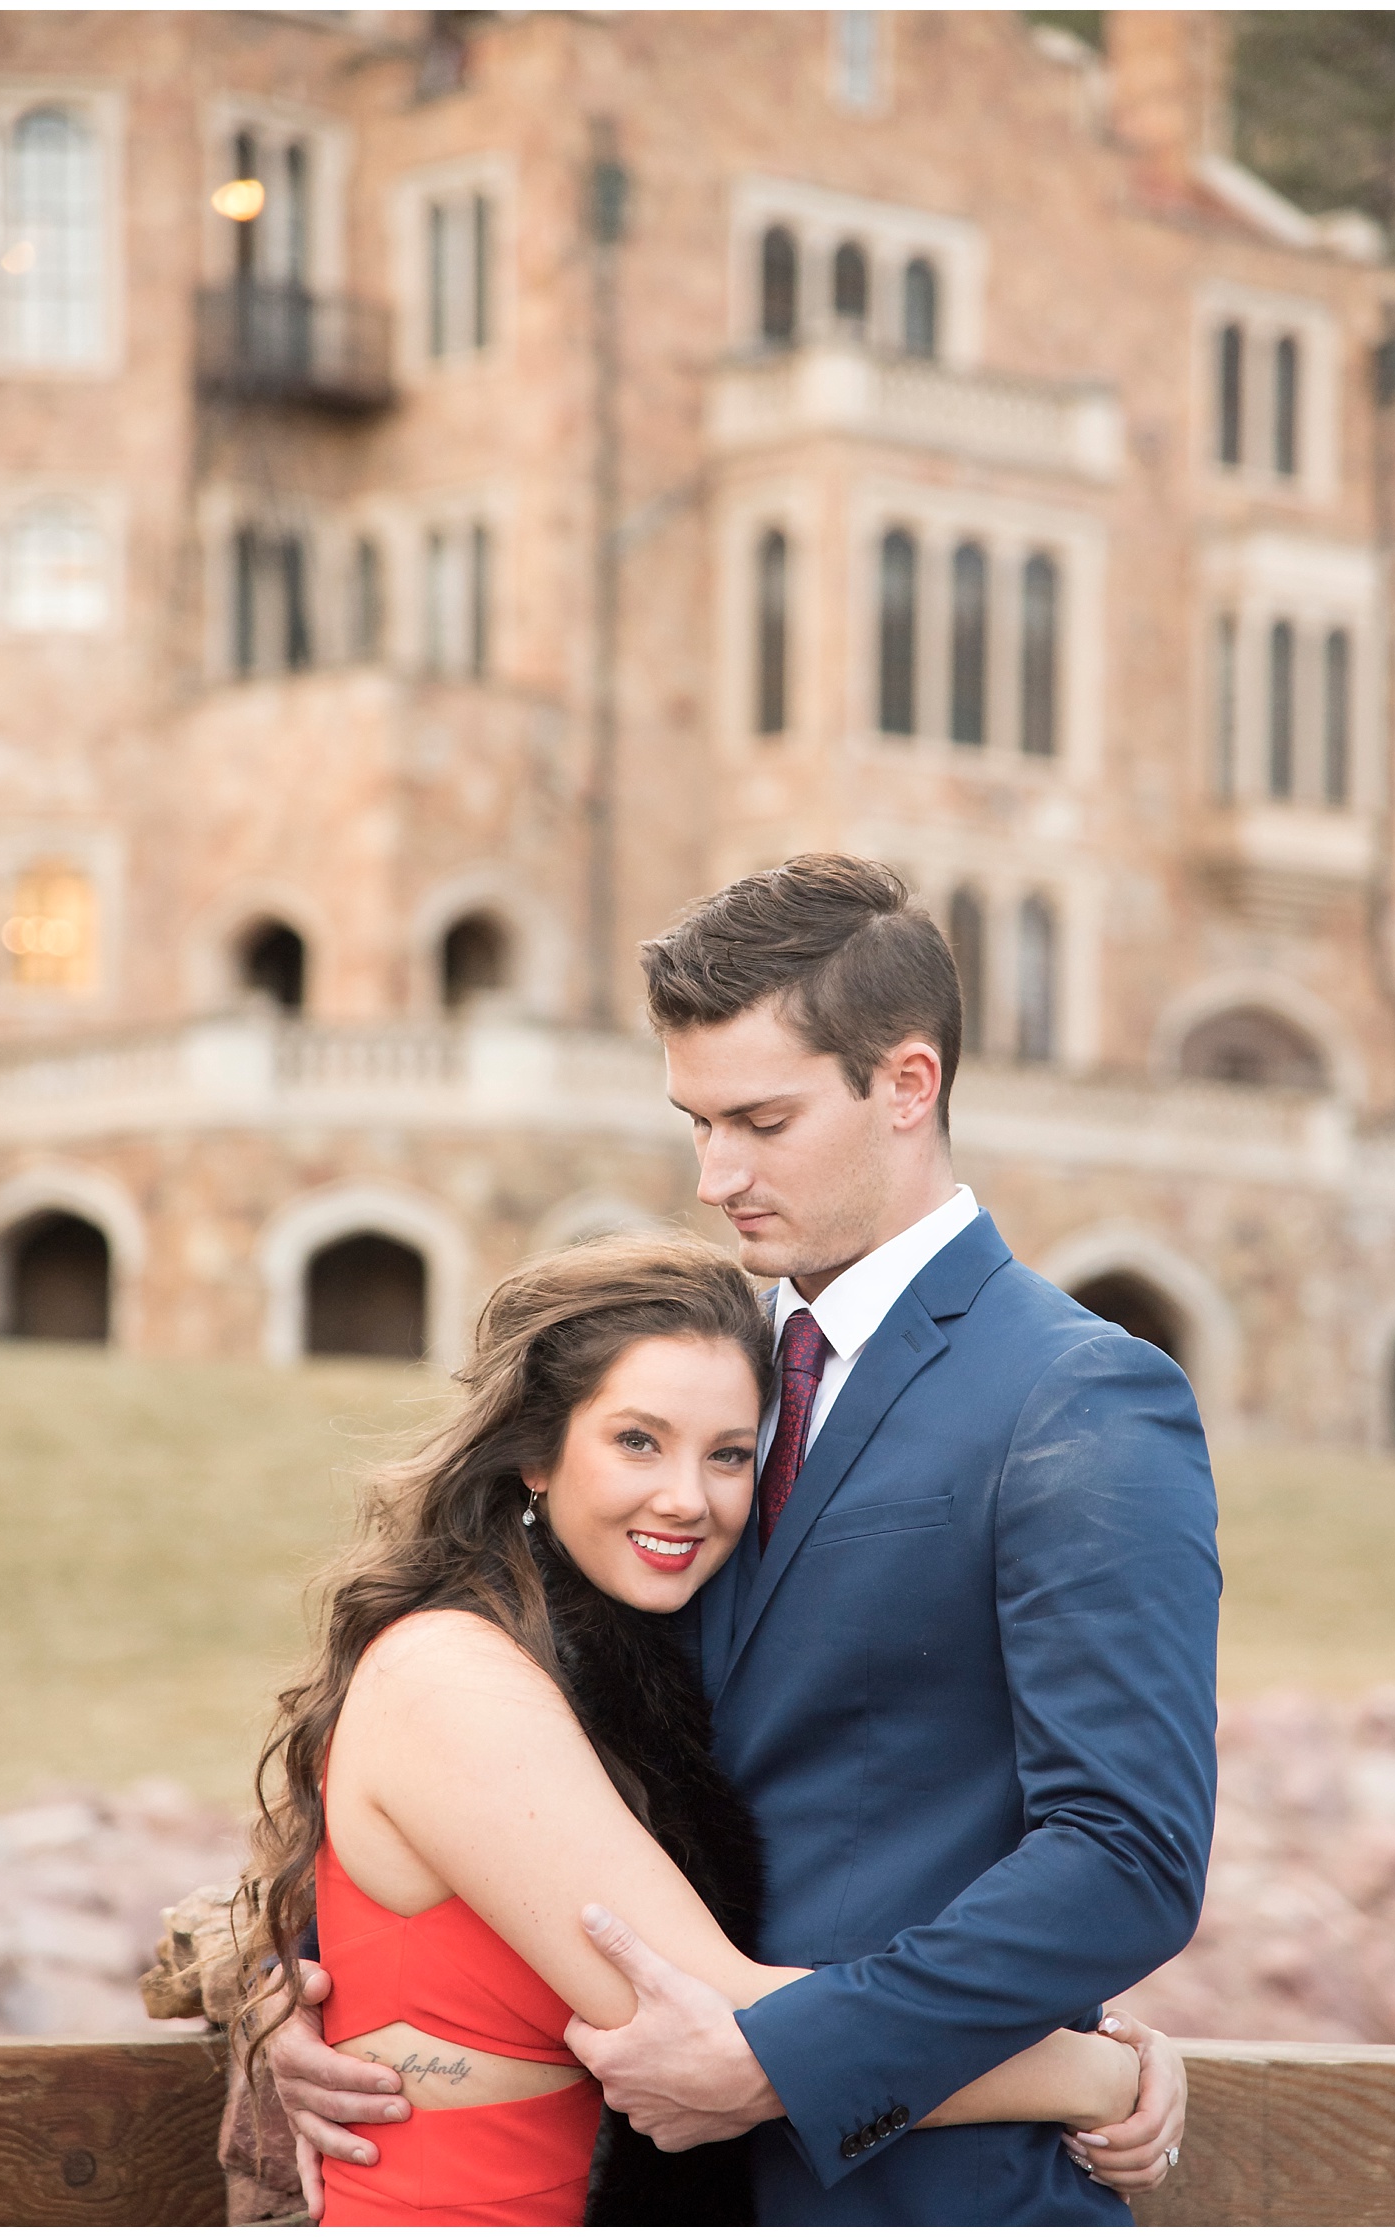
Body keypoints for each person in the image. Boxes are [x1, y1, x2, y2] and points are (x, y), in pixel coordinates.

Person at [268, 855, 1219, 2226]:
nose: (715, 1178)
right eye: (696, 1122)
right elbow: (506, 1721)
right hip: (653, 2184)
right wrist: (311, 1990)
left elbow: (1126, 1856)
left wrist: (799, 2058)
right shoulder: (698, 1389)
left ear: (906, 1085)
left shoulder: (1078, 1396)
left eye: (760, 1121)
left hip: (927, 2196)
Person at [240, 1232, 1151, 2226]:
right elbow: (728, 2016)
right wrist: (1092, 2070)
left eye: (727, 1454)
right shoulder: (450, 1676)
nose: (688, 1496)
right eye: (638, 1439)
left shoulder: (619, 1669)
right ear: (536, 1453)